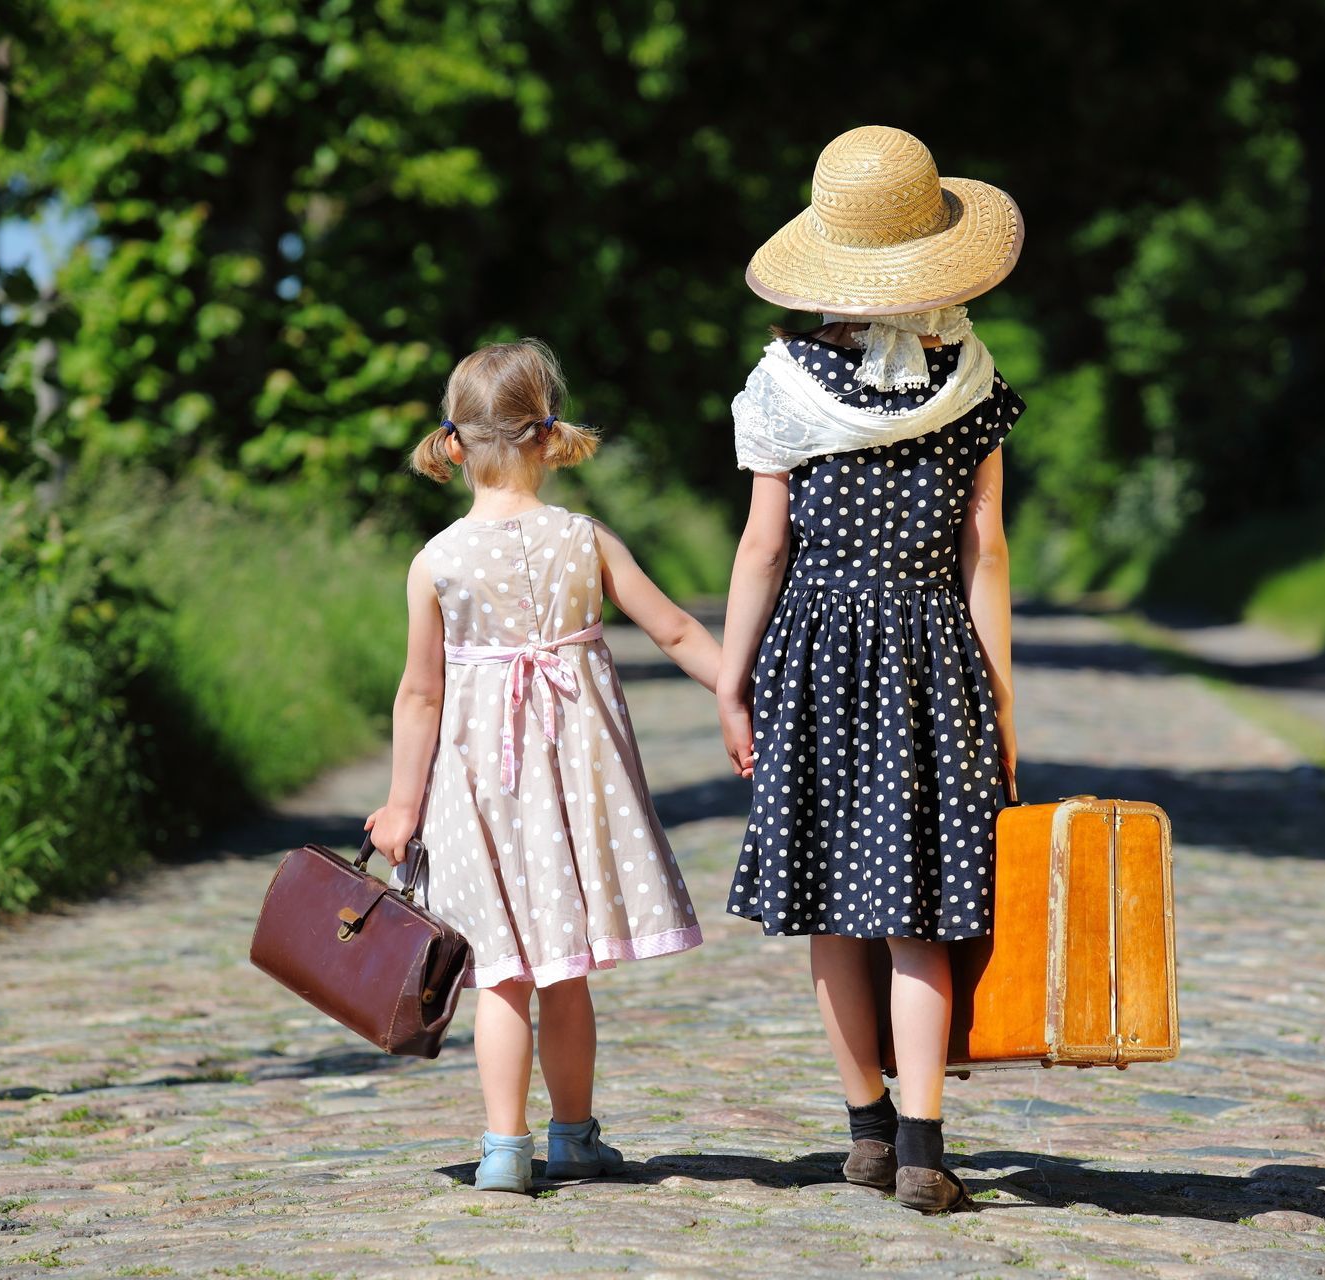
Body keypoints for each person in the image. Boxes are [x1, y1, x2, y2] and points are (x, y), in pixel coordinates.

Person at [716, 126, 1023, 1214]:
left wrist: (731, 679)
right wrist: (1002, 702)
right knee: (921, 909)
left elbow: (763, 549)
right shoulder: (973, 385)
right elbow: (986, 554)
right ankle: (926, 1147)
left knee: (831, 901)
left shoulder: (784, 386)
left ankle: (866, 1132)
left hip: (813, 659)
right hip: (934, 660)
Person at [366, 338, 720, 1195]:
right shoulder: (583, 538)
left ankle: (503, 1149)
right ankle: (573, 1138)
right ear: (549, 435)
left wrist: (401, 806)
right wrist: (744, 699)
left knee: (500, 972)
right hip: (576, 785)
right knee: (564, 970)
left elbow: (420, 695)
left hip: (476, 792)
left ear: (453, 444)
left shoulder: (436, 560)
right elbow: (675, 629)